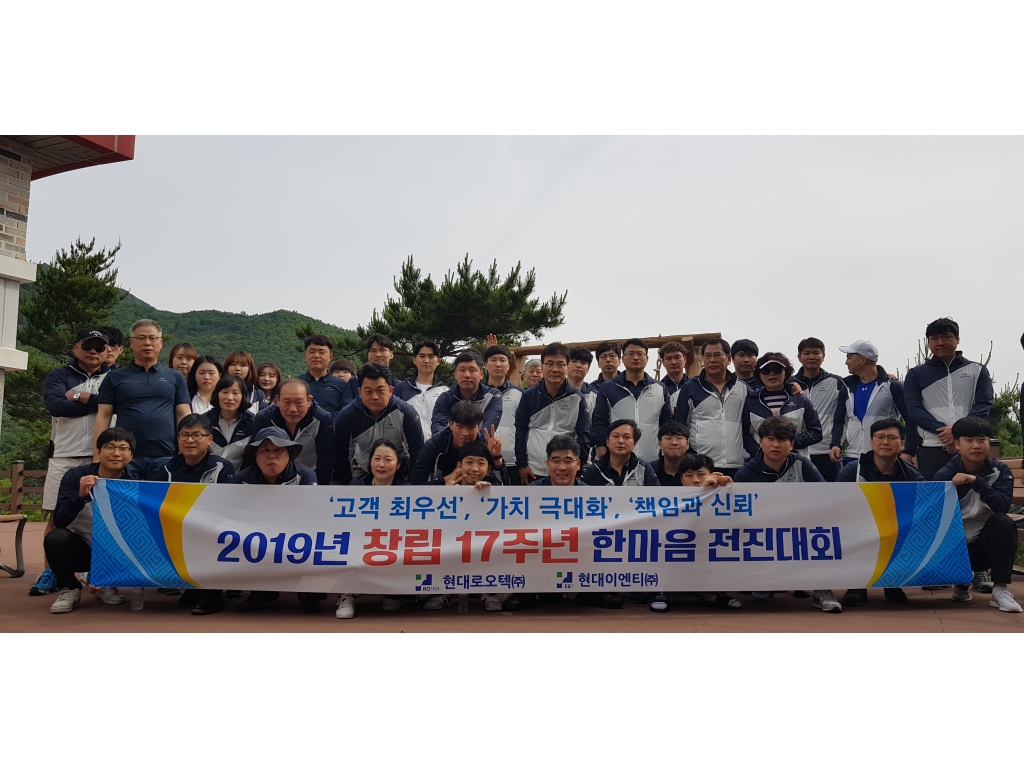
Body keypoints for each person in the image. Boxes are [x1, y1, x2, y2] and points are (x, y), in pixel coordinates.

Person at [30, 329, 113, 597]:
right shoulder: (59, 375)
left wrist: (78, 396)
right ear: (75, 348)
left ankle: (98, 572)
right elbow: (56, 406)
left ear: (107, 351)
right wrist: (100, 404)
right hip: (64, 455)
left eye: (99, 347)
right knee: (56, 517)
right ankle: (51, 571)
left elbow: (116, 404)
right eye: (87, 346)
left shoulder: (114, 377)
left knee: (104, 517)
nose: (93, 352)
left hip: (102, 458)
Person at [734, 418, 840, 613]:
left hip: (801, 529)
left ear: (791, 444)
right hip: (763, 531)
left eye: (782, 440)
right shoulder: (746, 472)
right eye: (770, 439)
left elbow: (825, 496)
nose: (776, 445)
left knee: (823, 536)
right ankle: (765, 582)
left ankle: (822, 590)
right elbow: (737, 512)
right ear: (760, 442)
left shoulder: (803, 464)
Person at [147, 414, 235, 614]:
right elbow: (156, 503)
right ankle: (192, 587)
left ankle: (212, 596)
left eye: (197, 435)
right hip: (176, 526)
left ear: (209, 439)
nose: (190, 440)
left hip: (212, 527)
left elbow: (227, 506)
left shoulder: (222, 467)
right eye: (184, 435)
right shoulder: (166, 469)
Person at [45, 427, 139, 614]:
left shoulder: (134, 483)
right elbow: (60, 520)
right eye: (110, 447)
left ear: (131, 455)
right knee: (56, 538)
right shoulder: (75, 476)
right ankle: (69, 588)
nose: (116, 453)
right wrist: (80, 496)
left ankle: (107, 583)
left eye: (123, 448)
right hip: (82, 548)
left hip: (115, 549)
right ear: (98, 451)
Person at [934, 417, 1021, 612]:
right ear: (957, 444)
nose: (976, 446)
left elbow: (1002, 506)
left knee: (1004, 522)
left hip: (985, 546)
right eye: (969, 440)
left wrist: (976, 482)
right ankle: (960, 581)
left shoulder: (1000, 471)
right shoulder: (944, 475)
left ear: (989, 442)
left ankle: (1000, 590)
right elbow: (937, 519)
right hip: (954, 548)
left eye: (982, 440)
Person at [233, 427, 320, 614]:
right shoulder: (241, 479)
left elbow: (313, 515)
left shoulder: (305, 476)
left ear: (289, 454)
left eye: (279, 450)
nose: (272, 456)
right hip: (256, 533)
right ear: (255, 455)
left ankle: (308, 593)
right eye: (265, 451)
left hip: (297, 533)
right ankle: (262, 593)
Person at [837, 417, 922, 606]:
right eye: (880, 437)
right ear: (871, 442)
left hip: (895, 527)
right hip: (858, 526)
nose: (885, 442)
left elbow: (921, 507)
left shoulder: (912, 476)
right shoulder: (853, 470)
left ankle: (893, 583)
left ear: (902, 444)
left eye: (892, 438)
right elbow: (837, 503)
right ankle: (857, 585)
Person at [94, 319, 191, 477]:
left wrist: (185, 451)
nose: (147, 343)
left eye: (152, 338)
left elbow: (183, 415)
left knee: (164, 494)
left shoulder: (175, 377)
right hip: (124, 455)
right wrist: (98, 456)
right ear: (131, 343)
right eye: (141, 338)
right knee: (124, 494)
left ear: (161, 343)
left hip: (167, 454)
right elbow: (104, 415)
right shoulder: (115, 377)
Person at [904, 318, 994, 480]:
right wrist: (944, 432)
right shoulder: (916, 374)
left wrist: (958, 431)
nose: (940, 343)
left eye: (946, 337)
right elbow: (914, 409)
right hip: (931, 447)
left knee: (973, 493)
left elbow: (984, 403)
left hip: (969, 447)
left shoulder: (977, 370)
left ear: (957, 339)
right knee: (934, 494)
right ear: (928, 343)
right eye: (934, 338)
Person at [338, 438, 410, 619]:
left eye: (388, 459)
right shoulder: (357, 485)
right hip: (360, 541)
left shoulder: (407, 490)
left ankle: (392, 594)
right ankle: (346, 594)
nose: (381, 464)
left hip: (392, 544)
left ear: (398, 465)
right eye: (376, 459)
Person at [670, 453, 740, 614]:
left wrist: (728, 490)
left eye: (701, 474)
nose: (695, 480)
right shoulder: (670, 500)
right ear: (681, 480)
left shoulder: (720, 496)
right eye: (689, 475)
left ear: (712, 474)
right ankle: (663, 593)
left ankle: (713, 594)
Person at [332, 363, 424, 485]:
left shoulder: (406, 413)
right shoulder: (347, 416)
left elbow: (417, 451)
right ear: (360, 392)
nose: (375, 397)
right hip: (363, 472)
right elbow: (342, 454)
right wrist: (349, 486)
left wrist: (411, 485)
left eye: (380, 391)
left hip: (397, 473)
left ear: (390, 390)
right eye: (368, 391)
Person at [515, 343, 590, 484]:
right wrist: (522, 464)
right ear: (542, 366)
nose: (555, 369)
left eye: (560, 364)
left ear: (567, 367)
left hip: (565, 471)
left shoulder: (577, 398)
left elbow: (584, 435)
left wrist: (577, 470)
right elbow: (520, 431)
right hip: (533, 470)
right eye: (549, 364)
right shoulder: (529, 396)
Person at [673, 339, 748, 476]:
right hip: (701, 466)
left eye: (717, 355)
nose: (712, 360)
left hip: (736, 464)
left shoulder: (742, 388)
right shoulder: (690, 387)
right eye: (707, 356)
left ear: (729, 359)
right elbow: (680, 425)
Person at [591, 338, 672, 464]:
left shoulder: (660, 388)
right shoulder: (608, 387)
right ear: (623, 359)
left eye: (640, 354)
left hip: (652, 456)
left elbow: (666, 422)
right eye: (631, 354)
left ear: (647, 358)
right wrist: (602, 450)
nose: (635, 357)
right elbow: (600, 420)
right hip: (617, 458)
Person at [839, 339, 912, 465]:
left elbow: (910, 419)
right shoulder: (846, 387)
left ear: (863, 359)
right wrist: (836, 444)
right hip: (852, 456)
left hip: (883, 457)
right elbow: (840, 420)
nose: (846, 362)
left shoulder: (892, 386)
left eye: (849, 357)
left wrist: (908, 450)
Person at [251, 378, 335, 485]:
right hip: (271, 479)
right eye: (287, 402)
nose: (293, 409)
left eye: (299, 402)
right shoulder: (264, 419)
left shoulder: (322, 419)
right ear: (278, 400)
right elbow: (256, 455)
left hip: (309, 478)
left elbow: (326, 461)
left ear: (309, 401)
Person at [741, 352, 822, 461]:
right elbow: (745, 435)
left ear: (786, 373)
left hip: (796, 462)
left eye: (777, 369)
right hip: (761, 464)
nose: (772, 374)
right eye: (766, 370)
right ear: (759, 374)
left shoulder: (801, 399)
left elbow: (816, 433)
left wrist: (789, 441)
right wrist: (761, 451)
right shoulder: (751, 402)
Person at [792, 338, 848, 481]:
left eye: (816, 353)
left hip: (827, 451)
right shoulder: (789, 384)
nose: (811, 357)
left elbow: (862, 382)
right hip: (797, 450)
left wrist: (886, 378)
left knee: (830, 492)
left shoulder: (838, 382)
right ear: (799, 357)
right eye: (806, 353)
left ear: (823, 356)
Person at [411, 400, 505, 485]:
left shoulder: (486, 445)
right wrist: (446, 480)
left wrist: (497, 457)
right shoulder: (435, 444)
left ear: (478, 427)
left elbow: (504, 485)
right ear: (451, 425)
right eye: (460, 426)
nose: (465, 433)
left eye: (471, 427)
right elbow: (415, 485)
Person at [430, 349, 502, 437]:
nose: (467, 375)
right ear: (455, 374)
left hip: (480, 445)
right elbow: (438, 429)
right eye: (462, 370)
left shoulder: (492, 396)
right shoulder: (445, 398)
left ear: (481, 374)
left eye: (472, 370)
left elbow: (488, 430)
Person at [485, 343, 525, 484]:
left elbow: (524, 428)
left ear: (509, 365)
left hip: (512, 462)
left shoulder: (520, 394)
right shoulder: (476, 393)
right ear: (486, 364)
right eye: (493, 360)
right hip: (481, 460)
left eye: (502, 360)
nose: (498, 364)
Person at [393, 341, 447, 442]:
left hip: (437, 447)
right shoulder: (400, 389)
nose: (426, 360)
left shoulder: (446, 392)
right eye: (422, 356)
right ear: (414, 360)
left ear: (438, 361)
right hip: (407, 448)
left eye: (431, 356)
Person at [583, 419, 660, 486]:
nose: (620, 441)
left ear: (634, 444)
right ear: (607, 442)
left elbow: (655, 496)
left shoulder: (644, 469)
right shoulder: (593, 471)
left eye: (626, 437)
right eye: (616, 436)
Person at [207, 374, 257, 470]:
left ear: (243, 396)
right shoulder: (205, 421)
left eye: (235, 393)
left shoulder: (252, 423)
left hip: (240, 476)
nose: (230, 397)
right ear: (217, 394)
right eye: (225, 392)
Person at [298, 333, 353, 415]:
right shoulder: (295, 383)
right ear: (305, 355)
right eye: (312, 352)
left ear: (330, 357)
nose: (316, 356)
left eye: (321, 352)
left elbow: (347, 415)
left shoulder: (342, 386)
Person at [651, 421, 695, 485]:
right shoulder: (649, 470)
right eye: (668, 438)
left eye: (679, 438)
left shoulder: (697, 469)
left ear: (687, 444)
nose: (674, 443)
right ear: (660, 444)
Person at [658, 341, 689, 411]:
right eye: (669, 359)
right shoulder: (658, 389)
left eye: (677, 357)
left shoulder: (695, 386)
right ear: (663, 362)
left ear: (684, 359)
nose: (673, 362)